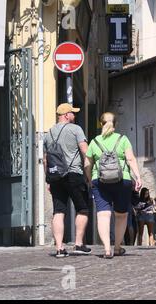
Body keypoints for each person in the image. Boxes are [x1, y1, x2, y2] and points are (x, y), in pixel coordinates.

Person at [84, 112, 142, 259]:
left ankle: (107, 249)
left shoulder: (94, 142)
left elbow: (87, 164)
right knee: (121, 215)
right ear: (115, 124)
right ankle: (117, 247)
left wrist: (90, 180)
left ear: (100, 124)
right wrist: (138, 176)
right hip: (123, 180)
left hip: (100, 180)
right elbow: (130, 159)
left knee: (103, 214)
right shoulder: (123, 139)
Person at [44, 103, 91, 258]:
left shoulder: (48, 133)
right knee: (82, 208)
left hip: (56, 176)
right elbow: (85, 152)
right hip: (74, 174)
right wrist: (89, 175)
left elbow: (46, 160)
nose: (74, 115)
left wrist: (49, 180)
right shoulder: (75, 129)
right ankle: (78, 243)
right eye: (72, 113)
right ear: (66, 115)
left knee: (58, 210)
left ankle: (59, 248)